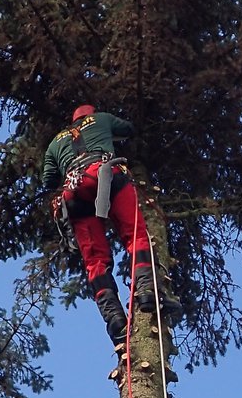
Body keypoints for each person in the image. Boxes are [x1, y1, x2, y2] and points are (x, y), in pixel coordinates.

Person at [42, 104, 180, 346]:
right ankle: (147, 292)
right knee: (135, 233)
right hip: (104, 173)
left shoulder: (55, 142)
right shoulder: (102, 119)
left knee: (95, 261)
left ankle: (115, 320)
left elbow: (48, 180)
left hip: (73, 193)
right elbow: (128, 129)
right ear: (91, 114)